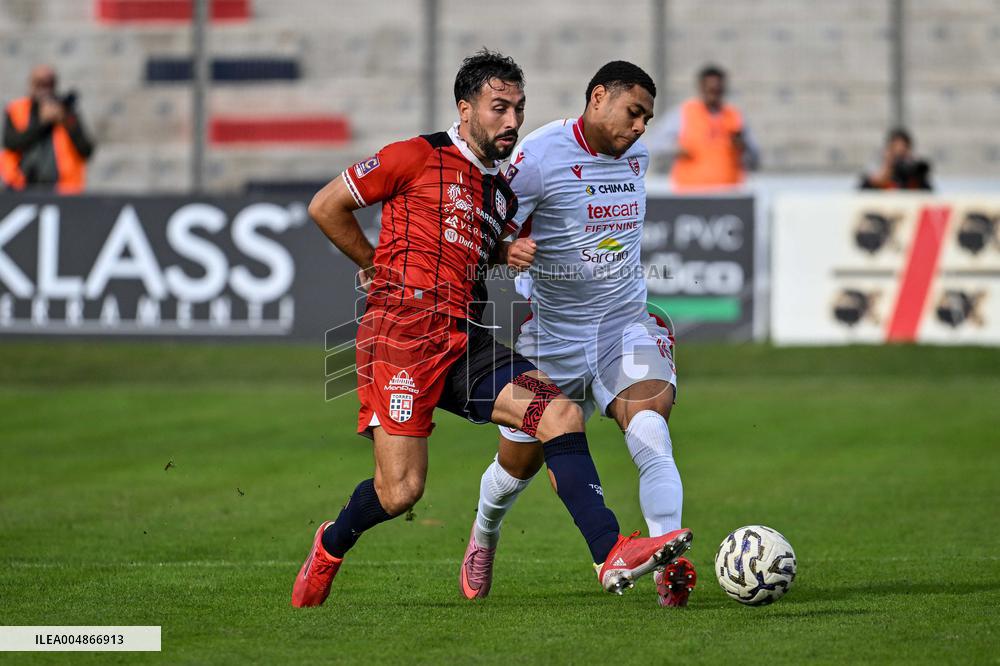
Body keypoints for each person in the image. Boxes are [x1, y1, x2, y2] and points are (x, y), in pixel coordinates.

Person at [293, 50, 692, 607]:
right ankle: (331, 544)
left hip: (466, 337)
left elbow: (478, 251)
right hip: (401, 341)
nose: (511, 121)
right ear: (465, 108)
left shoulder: (497, 191)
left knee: (559, 413)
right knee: (401, 491)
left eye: (518, 109)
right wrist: (374, 267)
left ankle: (611, 551)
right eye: (499, 108)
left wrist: (505, 250)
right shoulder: (416, 155)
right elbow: (326, 206)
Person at [459, 61, 697, 608]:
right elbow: (483, 227)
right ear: (597, 98)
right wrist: (505, 253)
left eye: (648, 118)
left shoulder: (635, 155)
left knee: (651, 431)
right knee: (513, 469)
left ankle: (669, 560)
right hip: (551, 338)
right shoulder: (537, 159)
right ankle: (483, 533)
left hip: (623, 327)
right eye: (633, 112)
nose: (640, 127)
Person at [648, 64, 758, 191]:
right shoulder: (683, 113)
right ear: (701, 88)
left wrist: (743, 147)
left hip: (729, 193)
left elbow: (754, 158)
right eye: (710, 89)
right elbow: (654, 143)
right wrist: (676, 149)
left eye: (717, 90)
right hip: (691, 193)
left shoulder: (735, 116)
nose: (713, 94)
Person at [1, 64, 94, 193]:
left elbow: (86, 150)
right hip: (21, 187)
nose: (44, 88)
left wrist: (66, 121)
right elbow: (11, 143)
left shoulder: (66, 111)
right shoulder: (17, 109)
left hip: (62, 189)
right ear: (31, 84)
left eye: (49, 83)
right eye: (40, 83)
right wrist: (43, 123)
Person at [859, 128, 932, 191]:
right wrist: (882, 176)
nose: (899, 160)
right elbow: (860, 194)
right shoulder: (878, 176)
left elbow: (928, 194)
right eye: (895, 152)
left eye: (903, 153)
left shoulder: (913, 178)